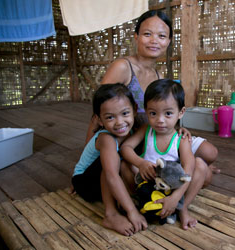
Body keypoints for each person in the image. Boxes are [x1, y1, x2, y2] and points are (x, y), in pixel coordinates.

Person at [86, 10, 219, 179]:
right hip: (131, 140)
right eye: (147, 34)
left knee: (210, 152)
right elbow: (98, 113)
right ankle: (185, 169)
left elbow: (165, 111)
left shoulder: (159, 77)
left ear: (168, 41)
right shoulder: (123, 67)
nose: (154, 40)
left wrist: (178, 128)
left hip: (157, 133)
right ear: (136, 37)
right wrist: (84, 163)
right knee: (203, 174)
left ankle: (186, 165)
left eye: (161, 36)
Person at [120, 79, 211, 230]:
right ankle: (137, 201)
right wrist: (140, 163)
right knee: (124, 164)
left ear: (181, 112)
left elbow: (188, 168)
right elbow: (125, 147)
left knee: (200, 164)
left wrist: (175, 198)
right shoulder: (146, 129)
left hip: (171, 188)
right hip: (146, 184)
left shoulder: (181, 139)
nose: (160, 120)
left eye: (168, 113)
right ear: (146, 110)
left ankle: (181, 208)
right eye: (153, 113)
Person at [72, 84, 147, 236]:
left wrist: (181, 130)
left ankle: (124, 199)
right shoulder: (106, 138)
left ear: (134, 109)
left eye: (125, 113)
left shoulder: (134, 130)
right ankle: (110, 214)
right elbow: (111, 175)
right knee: (111, 162)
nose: (119, 122)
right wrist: (132, 212)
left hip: (105, 179)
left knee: (128, 155)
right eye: (110, 117)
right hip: (85, 182)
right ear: (100, 120)